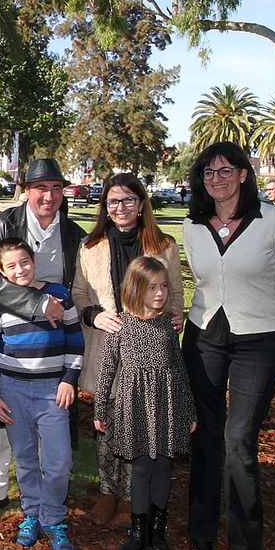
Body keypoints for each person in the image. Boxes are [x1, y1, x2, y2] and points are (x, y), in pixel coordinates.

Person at [181, 142, 275, 550]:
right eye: (209, 172)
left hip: (260, 340)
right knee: (205, 437)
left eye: (226, 170)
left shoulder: (272, 221)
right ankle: (200, 535)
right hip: (206, 336)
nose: (217, 179)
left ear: (244, 175)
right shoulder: (193, 225)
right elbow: (199, 279)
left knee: (240, 441)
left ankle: (247, 543)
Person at [0, 158, 85, 525]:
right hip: (5, 331)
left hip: (52, 341)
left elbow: (82, 284)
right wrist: (36, 303)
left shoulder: (74, 233)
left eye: (55, 188)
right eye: (40, 188)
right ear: (26, 190)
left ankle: (47, 496)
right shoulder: (3, 224)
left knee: (48, 419)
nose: (48, 197)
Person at [73, 172, 184, 526]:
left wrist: (176, 318)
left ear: (141, 205)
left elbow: (176, 296)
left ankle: (131, 497)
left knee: (141, 421)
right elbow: (78, 295)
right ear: (104, 207)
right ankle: (108, 491)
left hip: (148, 350)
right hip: (108, 344)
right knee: (106, 421)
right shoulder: (91, 247)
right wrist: (93, 315)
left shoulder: (163, 246)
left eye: (128, 201)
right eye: (113, 202)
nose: (120, 208)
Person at [0, 238, 84, 550]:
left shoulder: (58, 295)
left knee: (58, 462)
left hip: (52, 391)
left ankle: (54, 517)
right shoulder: (0, 303)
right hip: (13, 391)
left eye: (24, 262)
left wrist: (69, 380)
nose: (20, 269)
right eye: (11, 266)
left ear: (34, 261)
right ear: (1, 271)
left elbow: (76, 342)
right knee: (24, 457)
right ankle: (32, 514)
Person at [92, 255, 193, 550]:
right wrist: (99, 410)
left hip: (166, 404)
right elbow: (107, 369)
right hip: (133, 405)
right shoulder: (122, 326)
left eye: (163, 286)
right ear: (135, 290)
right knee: (140, 468)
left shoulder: (167, 326)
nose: (160, 293)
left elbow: (178, 366)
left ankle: (157, 531)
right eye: (152, 288)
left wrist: (189, 410)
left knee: (163, 465)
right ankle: (136, 532)